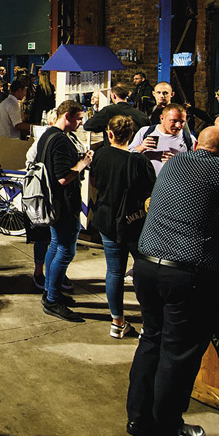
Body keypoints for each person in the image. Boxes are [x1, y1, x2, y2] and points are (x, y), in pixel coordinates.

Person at [126, 126, 219, 436]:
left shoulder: (174, 163)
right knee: (178, 353)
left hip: (146, 265)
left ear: (197, 144)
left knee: (151, 340)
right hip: (187, 274)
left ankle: (138, 417)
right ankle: (166, 426)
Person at [89, 115, 156, 338]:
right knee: (144, 273)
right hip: (134, 222)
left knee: (114, 271)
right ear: (131, 135)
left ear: (109, 134)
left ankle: (117, 322)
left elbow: (94, 183)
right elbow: (151, 191)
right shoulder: (139, 162)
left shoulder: (100, 155)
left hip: (107, 220)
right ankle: (149, 323)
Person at [36, 100, 93, 322]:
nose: (80, 123)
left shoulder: (48, 135)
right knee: (65, 250)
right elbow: (62, 177)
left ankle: (51, 292)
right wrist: (83, 163)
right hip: (64, 204)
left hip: (53, 203)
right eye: (78, 119)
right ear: (67, 115)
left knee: (55, 245)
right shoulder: (60, 140)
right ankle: (53, 299)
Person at [129, 104, 195, 175]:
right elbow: (127, 156)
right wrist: (141, 147)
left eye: (182, 122)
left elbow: (195, 167)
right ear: (162, 118)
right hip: (146, 181)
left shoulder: (189, 139)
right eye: (174, 121)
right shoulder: (145, 132)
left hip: (172, 181)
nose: (178, 126)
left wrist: (178, 163)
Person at [84, 84, 149, 136]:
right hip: (135, 147)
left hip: (112, 147)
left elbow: (88, 126)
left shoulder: (108, 111)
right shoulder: (141, 114)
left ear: (114, 96)